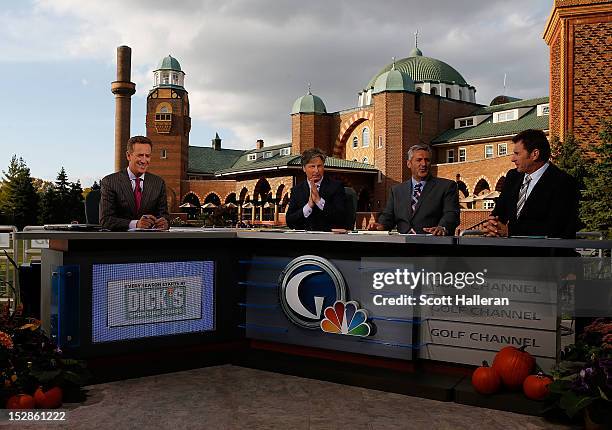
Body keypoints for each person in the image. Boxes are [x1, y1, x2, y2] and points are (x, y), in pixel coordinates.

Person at [484, 129, 579, 238]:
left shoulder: (564, 183)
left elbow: (557, 226)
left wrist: (511, 231)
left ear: (535, 154)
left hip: (546, 252)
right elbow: (499, 212)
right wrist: (492, 224)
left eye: (517, 154)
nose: (512, 159)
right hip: (509, 250)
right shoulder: (512, 176)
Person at [369, 144, 459, 235]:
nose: (423, 164)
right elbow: (388, 216)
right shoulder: (396, 191)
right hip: (403, 245)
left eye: (427, 160)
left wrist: (443, 227)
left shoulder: (446, 186)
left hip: (433, 243)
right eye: (419, 160)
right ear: (409, 163)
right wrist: (381, 225)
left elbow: (451, 214)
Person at [100, 136, 169, 231]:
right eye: (140, 155)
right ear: (128, 156)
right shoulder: (110, 182)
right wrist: (136, 224)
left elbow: (164, 216)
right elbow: (106, 220)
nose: (144, 160)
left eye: (147, 156)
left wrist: (164, 222)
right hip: (120, 241)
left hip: (150, 242)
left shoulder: (158, 183)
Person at [286, 148, 347, 231]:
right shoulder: (297, 190)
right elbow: (290, 221)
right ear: (304, 168)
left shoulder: (336, 187)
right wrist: (308, 206)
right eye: (312, 166)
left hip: (328, 239)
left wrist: (319, 201)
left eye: (319, 166)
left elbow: (342, 218)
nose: (316, 170)